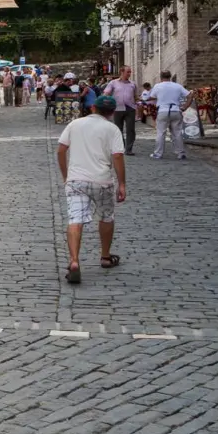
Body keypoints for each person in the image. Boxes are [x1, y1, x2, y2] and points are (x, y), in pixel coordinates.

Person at [57, 95, 126, 285]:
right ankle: (105, 256)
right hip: (102, 181)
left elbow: (61, 150)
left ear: (93, 107)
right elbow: (118, 157)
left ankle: (74, 261)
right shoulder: (112, 129)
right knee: (106, 216)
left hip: (77, 180)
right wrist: (122, 184)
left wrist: (66, 174)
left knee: (75, 219)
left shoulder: (75, 124)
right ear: (112, 113)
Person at [148, 70, 192, 160]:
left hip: (163, 110)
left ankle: (158, 153)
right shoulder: (177, 86)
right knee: (177, 133)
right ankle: (181, 153)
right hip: (175, 110)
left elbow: (151, 97)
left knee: (161, 133)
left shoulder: (158, 86)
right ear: (170, 76)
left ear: (161, 77)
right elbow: (190, 96)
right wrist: (184, 107)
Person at [103, 66, 139, 155]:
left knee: (130, 129)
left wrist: (139, 105)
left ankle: (129, 149)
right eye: (128, 72)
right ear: (122, 72)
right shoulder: (113, 83)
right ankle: (121, 147)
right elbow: (106, 92)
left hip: (130, 109)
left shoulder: (133, 84)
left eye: (130, 72)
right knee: (118, 129)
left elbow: (136, 97)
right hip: (117, 109)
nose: (130, 74)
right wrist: (106, 97)